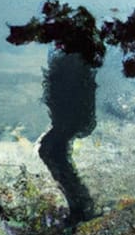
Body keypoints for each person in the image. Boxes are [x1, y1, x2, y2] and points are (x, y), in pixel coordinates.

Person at [38, 49, 98, 224]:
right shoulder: (69, 51)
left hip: (71, 112)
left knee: (50, 150)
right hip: (69, 111)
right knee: (51, 150)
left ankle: (81, 207)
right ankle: (80, 206)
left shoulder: (73, 52)